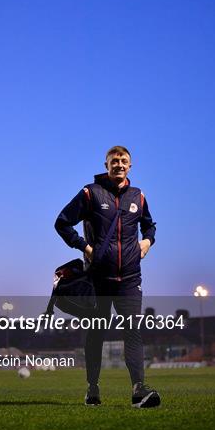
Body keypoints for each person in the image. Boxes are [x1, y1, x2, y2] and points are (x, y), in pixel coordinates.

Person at [55, 145, 160, 408]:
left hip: (130, 280)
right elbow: (62, 222)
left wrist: (147, 242)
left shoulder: (139, 196)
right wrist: (85, 247)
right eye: (115, 161)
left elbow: (149, 224)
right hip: (98, 280)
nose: (119, 165)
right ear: (106, 165)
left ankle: (139, 390)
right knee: (96, 335)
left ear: (130, 166)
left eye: (124, 161)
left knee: (133, 333)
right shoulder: (90, 193)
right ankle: (93, 388)